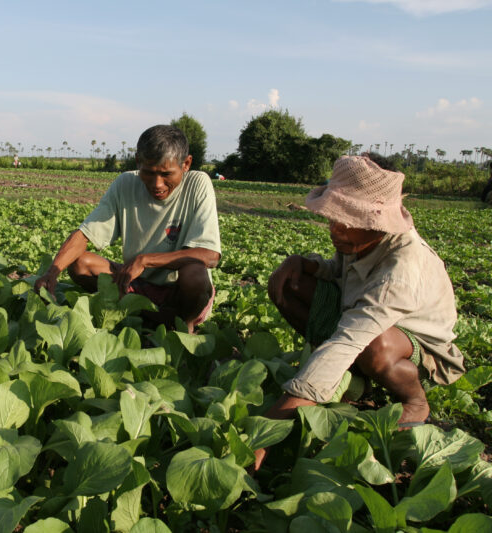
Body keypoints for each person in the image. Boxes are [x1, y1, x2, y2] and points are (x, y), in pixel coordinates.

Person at [255, 155, 465, 469]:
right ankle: (350, 378)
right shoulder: (357, 240)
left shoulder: (401, 268)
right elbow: (337, 274)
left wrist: (269, 430)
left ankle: (414, 401)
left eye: (347, 220)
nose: (335, 229)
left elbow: (350, 339)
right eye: (332, 217)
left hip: (417, 347)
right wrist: (304, 264)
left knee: (374, 345)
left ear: (378, 222)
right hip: (356, 321)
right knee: (290, 283)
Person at [34, 125, 221, 333]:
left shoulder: (198, 184)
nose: (157, 184)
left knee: (194, 274)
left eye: (166, 174)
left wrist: (146, 260)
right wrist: (52, 273)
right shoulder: (125, 183)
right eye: (149, 173)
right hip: (135, 284)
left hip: (178, 292)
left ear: (186, 164)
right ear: (138, 162)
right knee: (80, 263)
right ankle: (148, 314)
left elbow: (210, 256)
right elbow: (86, 234)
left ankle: (182, 325)